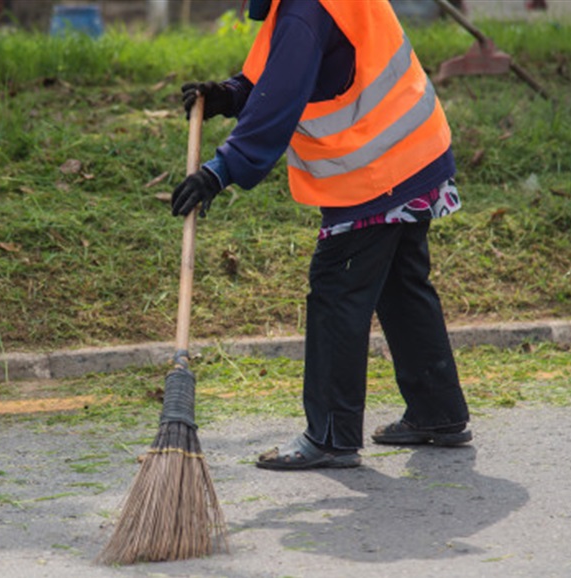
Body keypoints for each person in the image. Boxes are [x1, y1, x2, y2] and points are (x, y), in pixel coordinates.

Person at [171, 0, 472, 471]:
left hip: (376, 172)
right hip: (415, 152)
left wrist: (220, 171)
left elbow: (286, 92)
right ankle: (439, 413)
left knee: (336, 289)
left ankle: (331, 434)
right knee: (401, 286)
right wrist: (234, 93)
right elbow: (300, 70)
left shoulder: (303, 11)